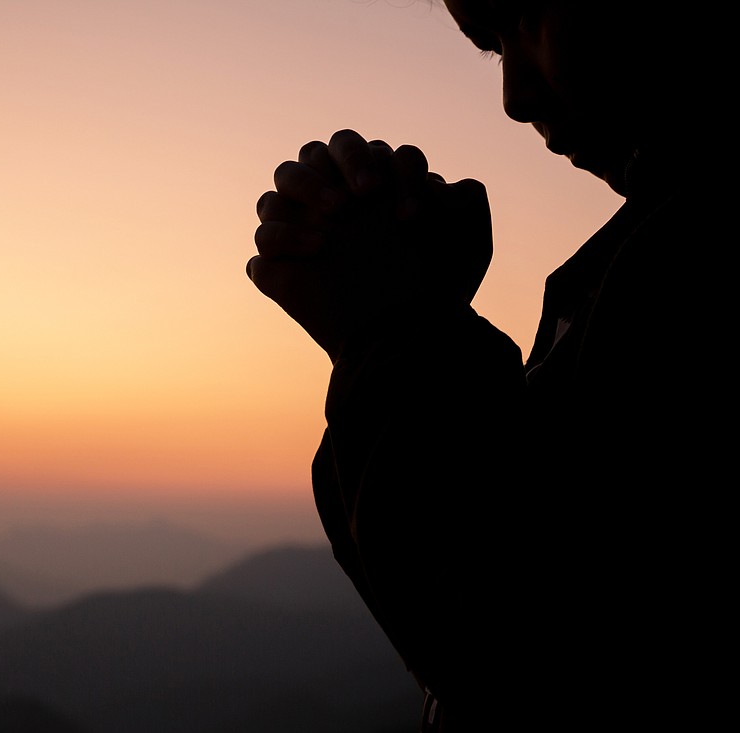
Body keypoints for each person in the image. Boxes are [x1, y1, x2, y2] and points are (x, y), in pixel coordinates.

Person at [247, 1, 733, 730]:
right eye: (489, 44)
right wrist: (399, 321)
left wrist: (388, 328)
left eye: (529, 13)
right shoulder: (638, 265)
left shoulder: (704, 269)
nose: (514, 97)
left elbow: (527, 656)